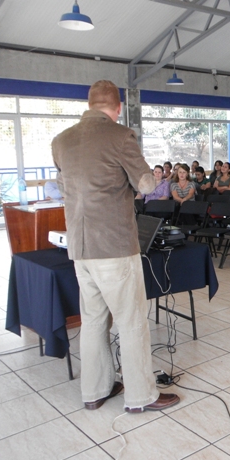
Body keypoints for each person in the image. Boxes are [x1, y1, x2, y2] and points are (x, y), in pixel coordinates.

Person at [51, 79, 178, 413]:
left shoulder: (61, 141)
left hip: (80, 247)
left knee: (93, 321)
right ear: (118, 107)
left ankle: (95, 391)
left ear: (89, 104)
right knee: (131, 321)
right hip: (114, 246)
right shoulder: (120, 136)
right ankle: (140, 396)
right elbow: (146, 184)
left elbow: (65, 184)